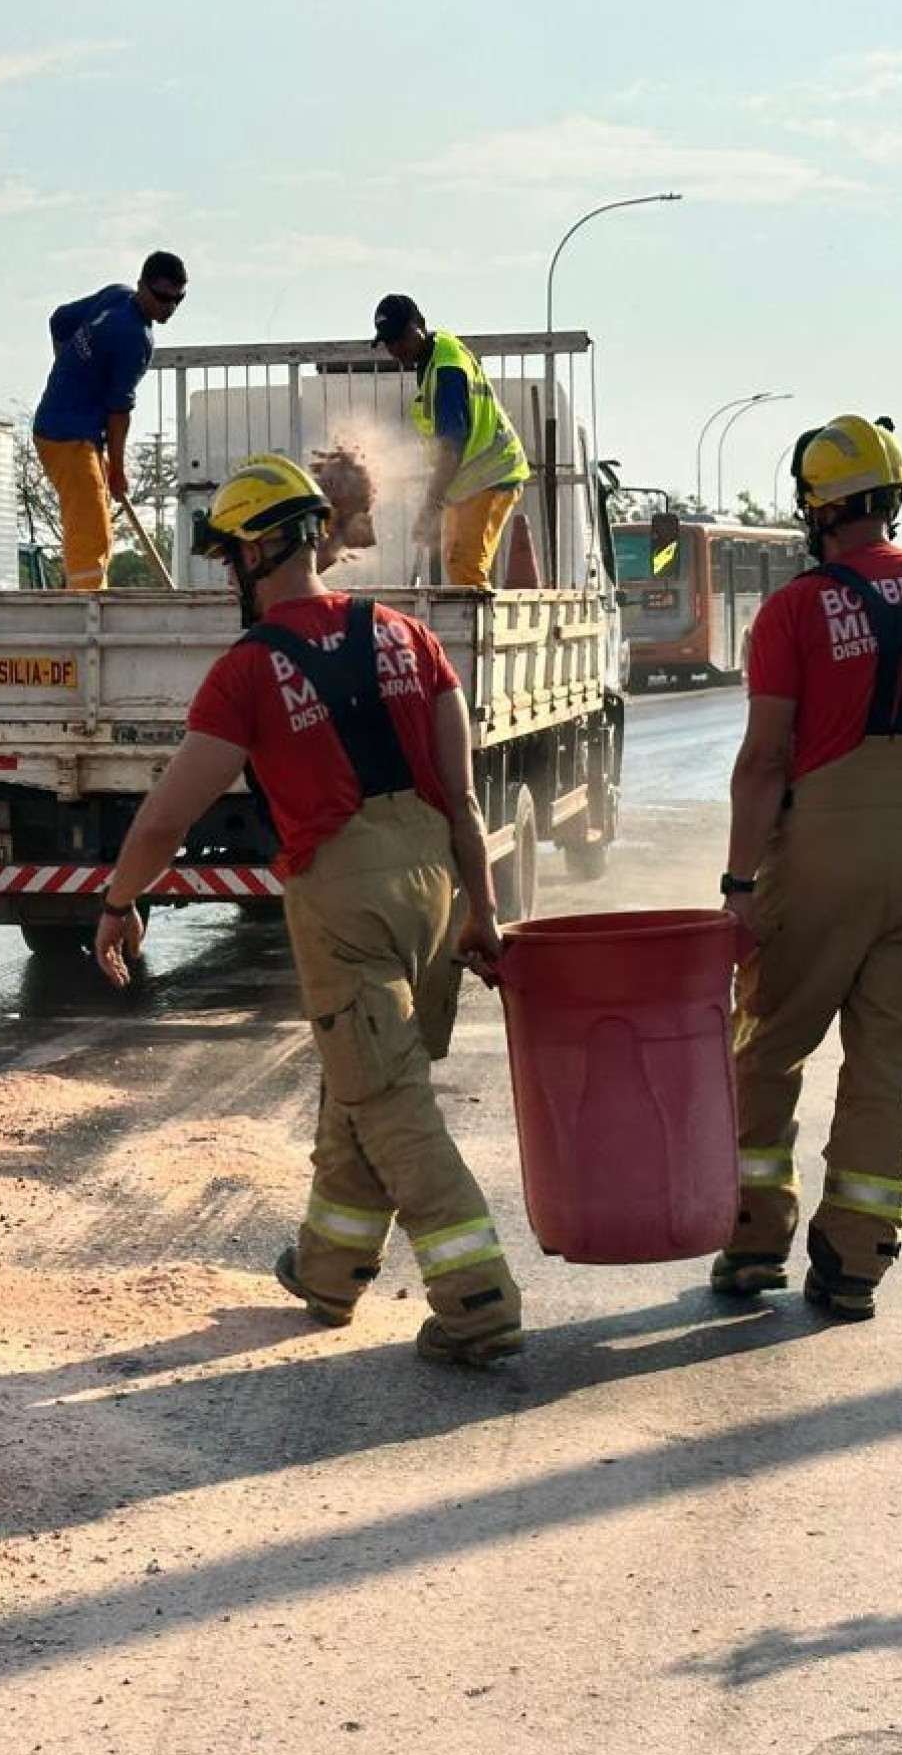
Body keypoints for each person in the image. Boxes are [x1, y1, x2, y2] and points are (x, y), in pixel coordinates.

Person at [91, 453, 522, 1367]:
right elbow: (466, 801)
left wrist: (120, 901)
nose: (226, 577)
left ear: (256, 553)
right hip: (438, 886)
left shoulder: (247, 670)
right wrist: (484, 913)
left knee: (391, 1099)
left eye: (228, 559)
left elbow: (168, 815)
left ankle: (477, 1298)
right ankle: (328, 1273)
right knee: (362, 1077)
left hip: (345, 895)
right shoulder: (413, 638)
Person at [713, 415, 902, 1320]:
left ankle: (753, 1239)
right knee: (891, 1068)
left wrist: (738, 888)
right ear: (894, 498)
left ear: (815, 510)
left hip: (818, 866)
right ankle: (856, 1263)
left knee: (767, 1048)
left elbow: (765, 762)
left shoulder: (795, 609)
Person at [34, 252, 188, 591]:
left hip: (67, 431)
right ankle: (87, 614)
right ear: (141, 286)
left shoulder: (115, 295)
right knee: (92, 531)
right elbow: (119, 413)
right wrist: (117, 470)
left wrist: (70, 371)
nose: (169, 307)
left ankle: (80, 594)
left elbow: (60, 321)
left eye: (178, 299)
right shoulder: (135, 339)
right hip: (67, 436)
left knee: (92, 516)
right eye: (162, 297)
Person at [371, 295, 530, 589]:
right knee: (455, 561)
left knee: (465, 568)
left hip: (492, 475)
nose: (395, 349)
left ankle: (480, 634)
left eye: (400, 338)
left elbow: (452, 445)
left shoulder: (447, 370)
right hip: (471, 481)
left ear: (419, 325)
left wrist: (431, 503)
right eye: (388, 342)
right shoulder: (436, 353)